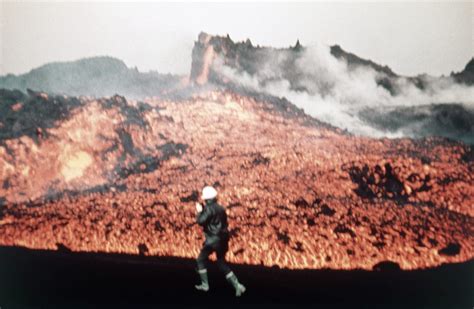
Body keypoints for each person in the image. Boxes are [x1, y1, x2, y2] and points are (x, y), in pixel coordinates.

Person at [194, 186, 246, 297]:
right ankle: (237, 285)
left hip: (213, 239)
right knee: (222, 263)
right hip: (223, 238)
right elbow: (215, 219)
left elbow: (201, 221)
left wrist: (199, 212)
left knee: (200, 260)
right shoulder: (221, 208)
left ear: (206, 199)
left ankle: (205, 285)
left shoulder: (208, 208)